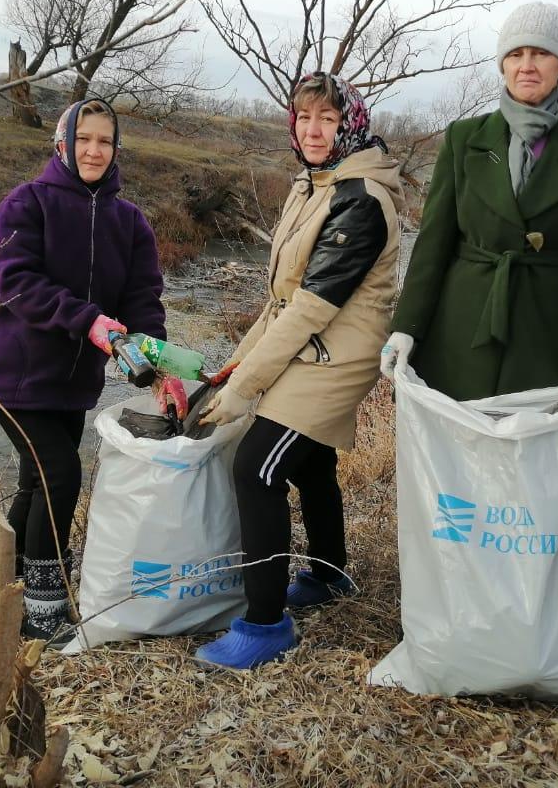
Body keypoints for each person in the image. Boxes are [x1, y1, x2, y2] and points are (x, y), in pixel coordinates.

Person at [193, 72, 403, 670]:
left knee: (256, 467)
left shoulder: (359, 199)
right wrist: (234, 365)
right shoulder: (312, 184)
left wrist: (244, 389)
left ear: (349, 125)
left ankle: (264, 625)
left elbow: (313, 306)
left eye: (328, 119)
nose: (313, 130)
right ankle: (330, 576)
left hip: (337, 355)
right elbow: (280, 299)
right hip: (311, 340)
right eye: (304, 118)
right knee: (311, 463)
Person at [0, 97, 180, 643]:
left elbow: (142, 299)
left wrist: (159, 366)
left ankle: (5, 583)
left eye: (105, 141)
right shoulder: (26, 204)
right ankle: (42, 607)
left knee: (35, 481)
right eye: (83, 139)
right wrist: (87, 321)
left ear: (115, 151)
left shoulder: (129, 221)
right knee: (59, 474)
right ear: (61, 144)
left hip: (70, 382)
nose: (93, 150)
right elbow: (12, 282)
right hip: (13, 373)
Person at [381, 1, 558, 397]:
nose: (526, 65)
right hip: (460, 324)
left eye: (541, 53)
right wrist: (405, 327)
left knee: (532, 452)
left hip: (545, 328)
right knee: (453, 449)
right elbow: (433, 244)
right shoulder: (463, 137)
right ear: (503, 65)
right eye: (515, 54)